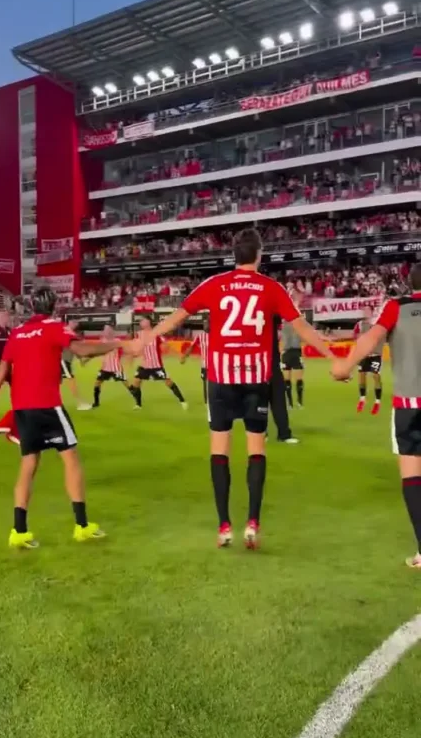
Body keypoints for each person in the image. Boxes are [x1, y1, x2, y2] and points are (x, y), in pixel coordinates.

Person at [137, 228, 330, 549]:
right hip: (256, 378)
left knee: (219, 450)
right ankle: (252, 523)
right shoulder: (271, 287)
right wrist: (332, 355)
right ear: (259, 255)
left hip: (221, 379)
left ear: (234, 255)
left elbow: (177, 317)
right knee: (256, 450)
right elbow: (301, 327)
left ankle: (224, 525)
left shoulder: (214, 284)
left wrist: (147, 336)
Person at [0, 288, 137, 550]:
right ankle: (82, 526)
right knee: (71, 460)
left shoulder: (18, 333)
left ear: (31, 306)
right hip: (48, 406)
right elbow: (83, 351)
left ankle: (19, 531)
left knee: (28, 465)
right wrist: (120, 343)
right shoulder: (54, 327)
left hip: (22, 408)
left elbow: (1, 371)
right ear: (53, 306)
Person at [332, 265, 421, 568]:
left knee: (412, 475)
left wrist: (345, 365)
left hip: (409, 404)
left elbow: (372, 338)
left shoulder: (397, 308)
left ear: (410, 283)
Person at [130, 315, 187, 410]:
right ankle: (138, 404)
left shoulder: (156, 334)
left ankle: (182, 401)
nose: (141, 322)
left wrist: (179, 355)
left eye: (143, 320)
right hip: (144, 365)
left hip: (156, 365)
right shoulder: (138, 334)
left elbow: (167, 346)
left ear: (148, 322)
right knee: (136, 382)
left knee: (168, 382)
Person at [269, 317, 298, 444]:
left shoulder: (274, 330)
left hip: (273, 367)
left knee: (279, 401)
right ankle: (261, 432)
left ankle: (284, 433)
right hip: (259, 366)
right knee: (258, 402)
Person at [92, 324, 136, 408]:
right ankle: (96, 402)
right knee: (97, 384)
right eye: (105, 330)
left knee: (126, 384)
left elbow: (126, 350)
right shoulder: (102, 341)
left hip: (116, 368)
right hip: (105, 368)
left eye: (108, 330)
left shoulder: (116, 341)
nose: (106, 332)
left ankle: (137, 398)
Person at [353, 305, 383, 415]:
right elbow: (355, 336)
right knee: (361, 376)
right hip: (363, 355)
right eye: (364, 311)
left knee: (375, 376)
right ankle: (362, 399)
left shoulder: (377, 324)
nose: (365, 312)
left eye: (367, 310)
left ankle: (377, 401)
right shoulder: (360, 324)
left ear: (372, 312)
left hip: (375, 355)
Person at [61, 319, 92, 411]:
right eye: (73, 322)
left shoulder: (70, 335)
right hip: (62, 361)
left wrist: (82, 359)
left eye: (75, 323)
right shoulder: (66, 333)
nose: (74, 323)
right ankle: (80, 403)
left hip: (62, 361)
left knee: (54, 382)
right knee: (71, 381)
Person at [181, 320, 209, 402]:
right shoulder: (200, 336)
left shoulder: (217, 335)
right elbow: (191, 347)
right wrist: (184, 356)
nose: (205, 326)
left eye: (207, 324)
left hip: (217, 362)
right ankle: (206, 400)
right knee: (205, 381)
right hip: (205, 363)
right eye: (204, 324)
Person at [281, 320, 305, 408]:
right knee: (287, 379)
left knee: (299, 379)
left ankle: (299, 401)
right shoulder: (283, 323)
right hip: (287, 353)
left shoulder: (299, 323)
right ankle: (290, 403)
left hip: (296, 352)